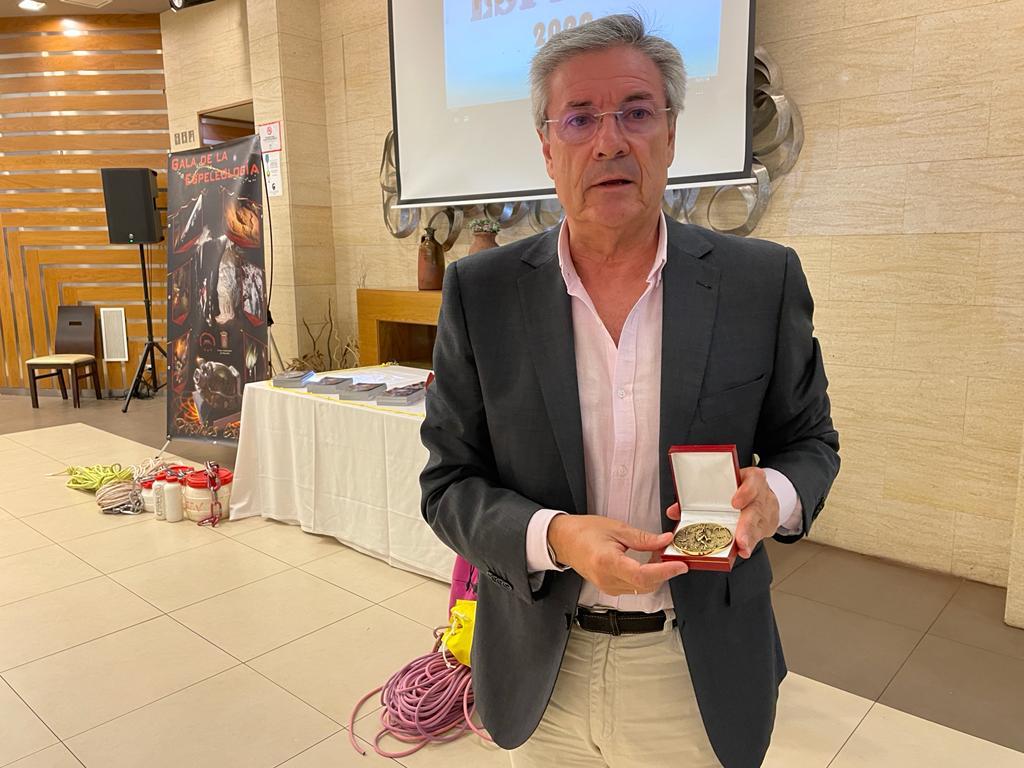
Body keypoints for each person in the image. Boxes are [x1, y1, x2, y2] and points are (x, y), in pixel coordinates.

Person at [420, 14, 839, 768]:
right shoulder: (480, 294)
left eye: (637, 113)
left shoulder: (760, 282)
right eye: (579, 118)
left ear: (671, 134)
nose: (609, 141)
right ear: (548, 147)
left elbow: (811, 444)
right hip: (541, 669)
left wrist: (774, 493)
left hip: (697, 672)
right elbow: (448, 484)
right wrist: (555, 535)